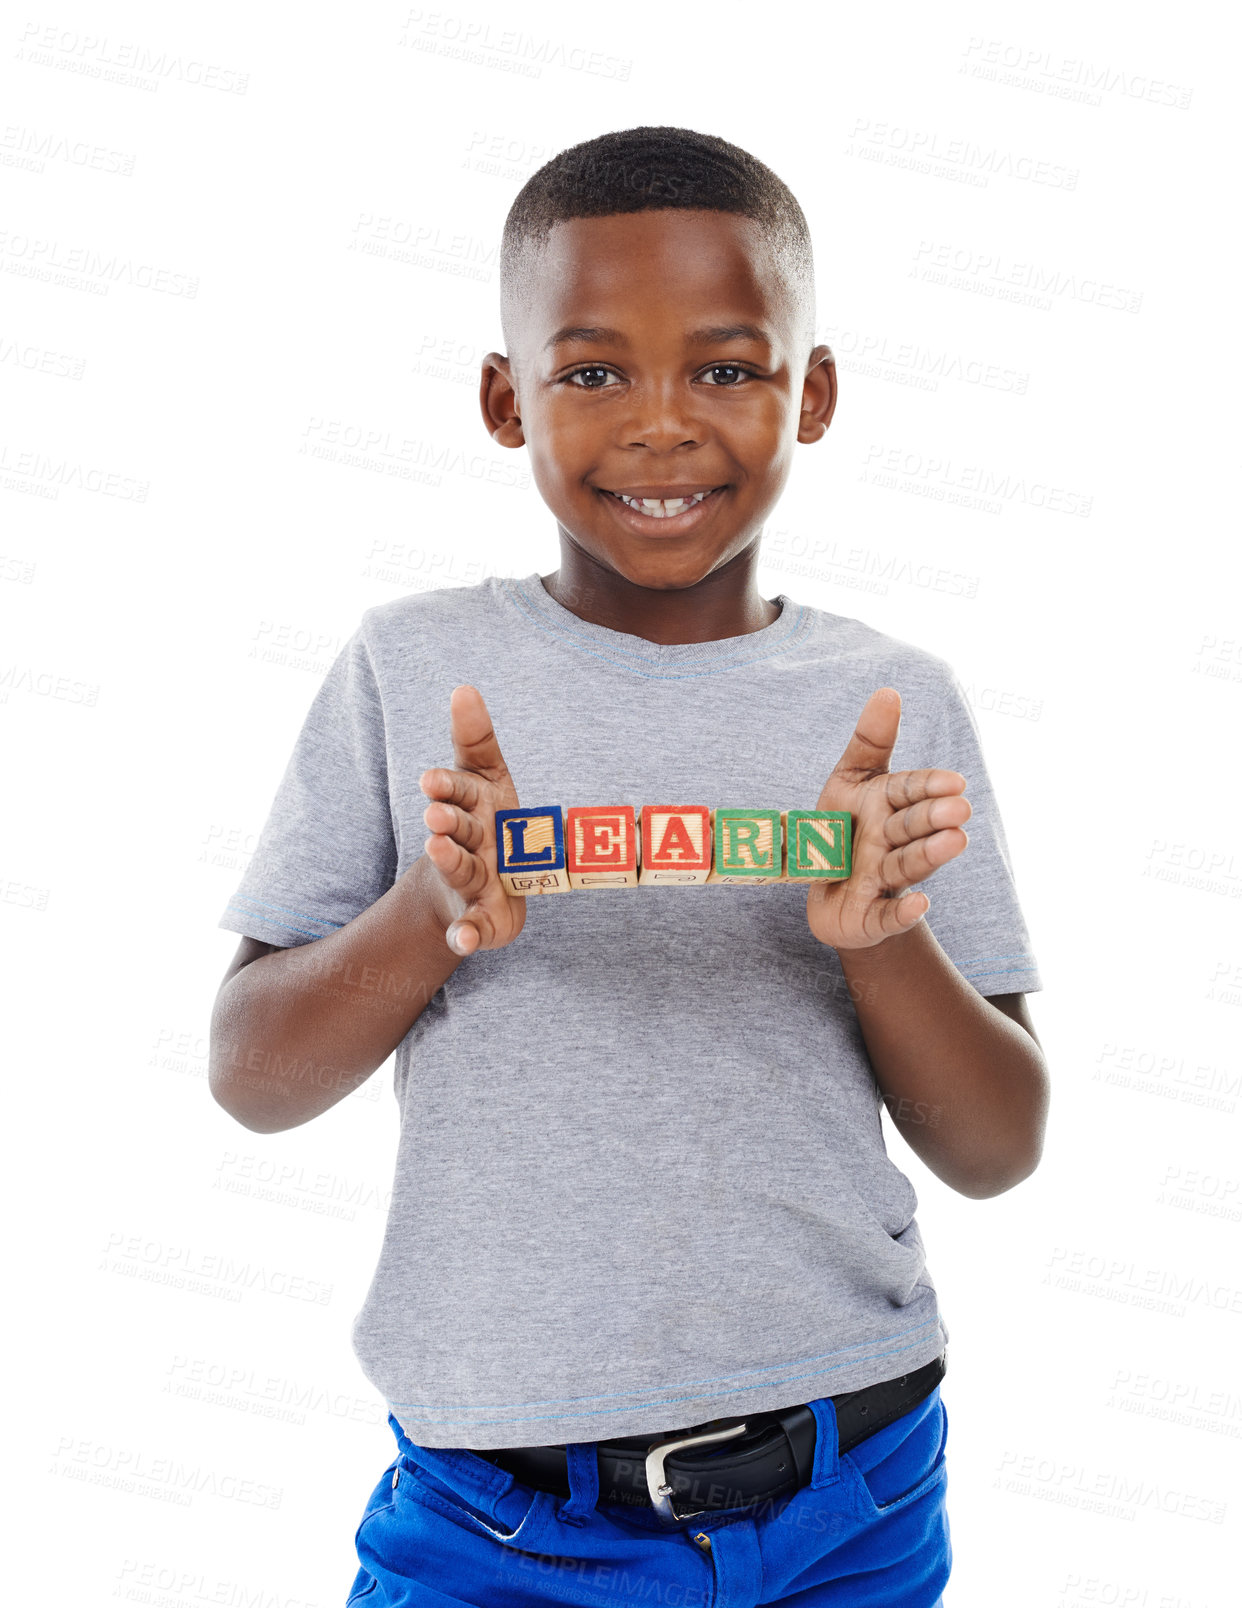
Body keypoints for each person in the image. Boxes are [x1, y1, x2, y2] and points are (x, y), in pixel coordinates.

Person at [209, 125, 1049, 1607]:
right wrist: (428, 918)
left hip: (853, 1492)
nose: (661, 424)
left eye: (725, 368)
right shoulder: (412, 669)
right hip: (496, 1521)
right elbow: (252, 1078)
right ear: (501, 398)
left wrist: (878, 939)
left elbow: (996, 1148)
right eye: (592, 371)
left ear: (816, 392)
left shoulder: (892, 703)